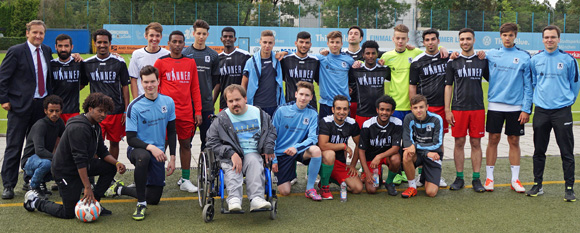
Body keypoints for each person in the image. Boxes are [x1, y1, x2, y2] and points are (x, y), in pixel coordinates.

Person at [23, 93, 127, 219]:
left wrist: (116, 163)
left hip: (80, 167)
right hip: (65, 171)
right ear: (90, 109)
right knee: (69, 213)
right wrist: (87, 187)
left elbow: (102, 151)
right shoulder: (79, 128)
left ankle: (94, 202)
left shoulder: (95, 126)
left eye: (105, 112)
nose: (103, 115)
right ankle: (34, 201)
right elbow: (80, 160)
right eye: (100, 111)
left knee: (110, 167)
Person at [105, 65, 177, 220]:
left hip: (157, 153)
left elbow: (171, 131)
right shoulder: (134, 106)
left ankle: (120, 189)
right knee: (143, 157)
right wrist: (152, 148)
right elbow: (131, 139)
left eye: (152, 81)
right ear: (141, 83)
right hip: (137, 149)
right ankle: (141, 204)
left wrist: (172, 157)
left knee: (154, 198)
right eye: (145, 82)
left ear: (158, 81)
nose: (149, 85)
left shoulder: (168, 102)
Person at [0, 20, 53, 199]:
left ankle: (30, 180)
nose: (38, 36)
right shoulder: (16, 51)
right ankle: (8, 184)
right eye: (35, 32)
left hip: (41, 107)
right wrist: (4, 100)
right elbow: (3, 77)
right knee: (14, 146)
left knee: (36, 147)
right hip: (19, 107)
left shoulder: (46, 51)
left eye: (41, 33)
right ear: (27, 33)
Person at [527, 25, 579, 202]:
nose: (550, 40)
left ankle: (569, 188)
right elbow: (533, 82)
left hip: (562, 112)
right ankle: (537, 184)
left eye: (553, 37)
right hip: (541, 111)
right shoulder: (535, 60)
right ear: (542, 39)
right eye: (547, 37)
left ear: (559, 39)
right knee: (539, 150)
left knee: (566, 151)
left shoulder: (569, 60)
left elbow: (575, 85)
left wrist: (566, 102)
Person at [207, 84, 276, 212]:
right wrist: (231, 153)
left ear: (245, 98)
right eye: (230, 101)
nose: (234, 104)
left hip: (253, 153)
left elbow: (271, 131)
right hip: (230, 155)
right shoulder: (221, 119)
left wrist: (268, 146)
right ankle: (234, 199)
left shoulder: (259, 114)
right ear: (226, 102)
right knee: (233, 166)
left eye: (237, 100)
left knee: (254, 161)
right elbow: (211, 141)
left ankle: (256, 198)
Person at [481, 23, 532, 193]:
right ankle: (489, 178)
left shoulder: (524, 57)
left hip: (516, 107)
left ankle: (515, 179)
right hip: (495, 105)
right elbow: (467, 55)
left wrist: (526, 109)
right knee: (493, 139)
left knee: (514, 141)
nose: (507, 38)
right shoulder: (492, 55)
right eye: (504, 35)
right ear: (500, 36)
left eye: (510, 35)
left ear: (515, 36)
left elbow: (528, 86)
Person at [154, 30, 202, 193]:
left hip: (186, 112)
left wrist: (198, 111)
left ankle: (186, 179)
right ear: (169, 43)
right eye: (174, 41)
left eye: (180, 42)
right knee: (162, 145)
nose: (177, 45)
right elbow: (154, 87)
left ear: (184, 44)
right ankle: (157, 177)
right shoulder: (160, 63)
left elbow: (195, 88)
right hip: (164, 113)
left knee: (185, 144)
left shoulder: (190, 62)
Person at [444, 28, 489, 193]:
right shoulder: (453, 61)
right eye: (462, 39)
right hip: (458, 109)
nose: (465, 42)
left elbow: (494, 79)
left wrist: (485, 55)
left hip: (477, 108)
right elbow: (448, 87)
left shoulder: (482, 60)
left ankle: (477, 178)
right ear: (459, 41)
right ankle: (459, 177)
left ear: (474, 40)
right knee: (459, 142)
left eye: (468, 39)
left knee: (476, 143)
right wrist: (447, 110)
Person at [409, 28, 449, 188]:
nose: (430, 42)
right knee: (421, 140)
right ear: (423, 42)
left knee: (439, 142)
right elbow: (412, 86)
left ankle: (435, 173)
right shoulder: (417, 61)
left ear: (438, 41)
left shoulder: (447, 58)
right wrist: (415, 107)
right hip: (423, 109)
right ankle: (421, 175)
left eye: (433, 39)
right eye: (427, 40)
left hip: (440, 107)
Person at [83, 29, 130, 160]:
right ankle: (95, 172)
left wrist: (126, 110)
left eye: (105, 42)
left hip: (116, 111)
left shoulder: (119, 62)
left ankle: (110, 172)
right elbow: (81, 84)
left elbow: (125, 87)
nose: (102, 45)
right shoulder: (87, 64)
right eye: (99, 42)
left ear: (110, 43)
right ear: (94, 43)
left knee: (114, 142)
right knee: (95, 144)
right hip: (95, 111)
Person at [272, 81, 322, 200]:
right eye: (301, 94)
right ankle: (289, 174)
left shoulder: (312, 113)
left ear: (311, 97)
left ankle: (310, 189)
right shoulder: (281, 110)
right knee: (285, 191)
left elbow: (313, 138)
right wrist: (273, 159)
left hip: (299, 150)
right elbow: (271, 135)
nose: (303, 98)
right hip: (282, 153)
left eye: (307, 95)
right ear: (296, 94)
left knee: (316, 150)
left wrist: (297, 148)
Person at [182, 19, 220, 152]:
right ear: (193, 34)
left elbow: (215, 80)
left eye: (204, 34)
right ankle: (185, 171)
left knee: (208, 141)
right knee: (186, 142)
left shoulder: (213, 55)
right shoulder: (185, 54)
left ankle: (206, 169)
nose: (201, 36)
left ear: (207, 35)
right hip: (188, 106)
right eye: (198, 33)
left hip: (206, 105)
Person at [318, 95, 363, 199]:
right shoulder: (326, 122)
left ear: (348, 110)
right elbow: (323, 145)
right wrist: (343, 146)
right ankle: (324, 186)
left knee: (357, 188)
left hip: (340, 164)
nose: (341, 112)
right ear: (333, 109)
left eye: (345, 109)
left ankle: (330, 178)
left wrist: (352, 165)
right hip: (323, 161)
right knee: (330, 153)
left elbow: (359, 144)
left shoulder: (352, 123)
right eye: (338, 108)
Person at [21, 95, 65, 199]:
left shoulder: (59, 123)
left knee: (64, 160)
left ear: (61, 111)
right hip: (30, 160)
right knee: (47, 163)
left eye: (57, 111)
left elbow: (65, 141)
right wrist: (58, 159)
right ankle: (34, 186)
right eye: (51, 111)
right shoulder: (40, 125)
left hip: (44, 158)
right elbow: (39, 151)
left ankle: (45, 184)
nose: (54, 114)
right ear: (45, 111)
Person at [401, 95, 444, 198]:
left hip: (433, 155)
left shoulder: (436, 119)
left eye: (421, 107)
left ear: (427, 107)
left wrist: (415, 146)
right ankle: (412, 187)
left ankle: (425, 176)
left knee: (431, 193)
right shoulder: (408, 118)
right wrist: (423, 151)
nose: (418, 110)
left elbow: (437, 144)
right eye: (415, 108)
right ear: (411, 108)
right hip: (421, 154)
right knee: (406, 154)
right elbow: (407, 142)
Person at [358, 95, 402, 195]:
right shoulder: (367, 125)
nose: (384, 113)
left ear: (392, 112)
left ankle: (389, 182)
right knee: (371, 190)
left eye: (387, 110)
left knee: (396, 159)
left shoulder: (397, 123)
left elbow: (395, 148)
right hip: (371, 159)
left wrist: (379, 156)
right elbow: (361, 150)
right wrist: (367, 172)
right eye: (382, 109)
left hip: (386, 157)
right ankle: (376, 173)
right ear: (377, 110)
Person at [242, 30, 285, 117]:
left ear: (274, 43)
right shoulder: (251, 62)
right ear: (260, 42)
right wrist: (243, 99)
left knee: (273, 130)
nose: (267, 45)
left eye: (270, 43)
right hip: (256, 105)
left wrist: (285, 52)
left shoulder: (277, 61)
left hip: (274, 105)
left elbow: (295, 55)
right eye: (264, 42)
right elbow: (244, 83)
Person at [349, 40, 390, 128]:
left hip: (379, 113)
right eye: (367, 53)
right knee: (361, 141)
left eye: (373, 53)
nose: (370, 56)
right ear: (363, 55)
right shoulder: (356, 70)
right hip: (362, 113)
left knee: (378, 141)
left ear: (377, 54)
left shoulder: (384, 69)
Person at [316, 31, 355, 120]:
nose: (334, 45)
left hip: (343, 105)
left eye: (337, 42)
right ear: (327, 44)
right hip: (326, 104)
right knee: (324, 133)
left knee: (344, 132)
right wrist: (285, 53)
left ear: (341, 44)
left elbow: (363, 65)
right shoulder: (322, 58)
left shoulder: (348, 59)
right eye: (332, 42)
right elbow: (303, 56)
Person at [50, 34, 88, 124]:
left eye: (66, 46)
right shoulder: (50, 65)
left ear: (72, 47)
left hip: (73, 110)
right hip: (55, 111)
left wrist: (71, 88)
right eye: (60, 46)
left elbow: (83, 83)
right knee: (55, 137)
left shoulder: (79, 64)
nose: (63, 49)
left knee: (73, 137)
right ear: (55, 47)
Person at [128, 22, 170, 99]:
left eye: (157, 36)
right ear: (145, 36)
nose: (154, 39)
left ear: (161, 37)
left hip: (162, 99)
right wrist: (136, 100)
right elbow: (133, 80)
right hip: (143, 99)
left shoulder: (167, 54)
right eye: (151, 35)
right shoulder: (137, 54)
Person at [281, 31, 320, 109]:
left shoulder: (315, 61)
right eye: (301, 42)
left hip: (310, 104)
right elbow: (283, 79)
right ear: (296, 43)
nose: (304, 45)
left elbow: (318, 82)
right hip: (290, 103)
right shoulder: (286, 60)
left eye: (307, 43)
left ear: (310, 45)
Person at [215, 27, 251, 111]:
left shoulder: (245, 56)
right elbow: (218, 83)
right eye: (225, 36)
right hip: (224, 102)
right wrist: (212, 102)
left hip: (241, 102)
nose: (228, 38)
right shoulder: (217, 59)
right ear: (221, 39)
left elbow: (250, 80)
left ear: (234, 39)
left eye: (230, 36)